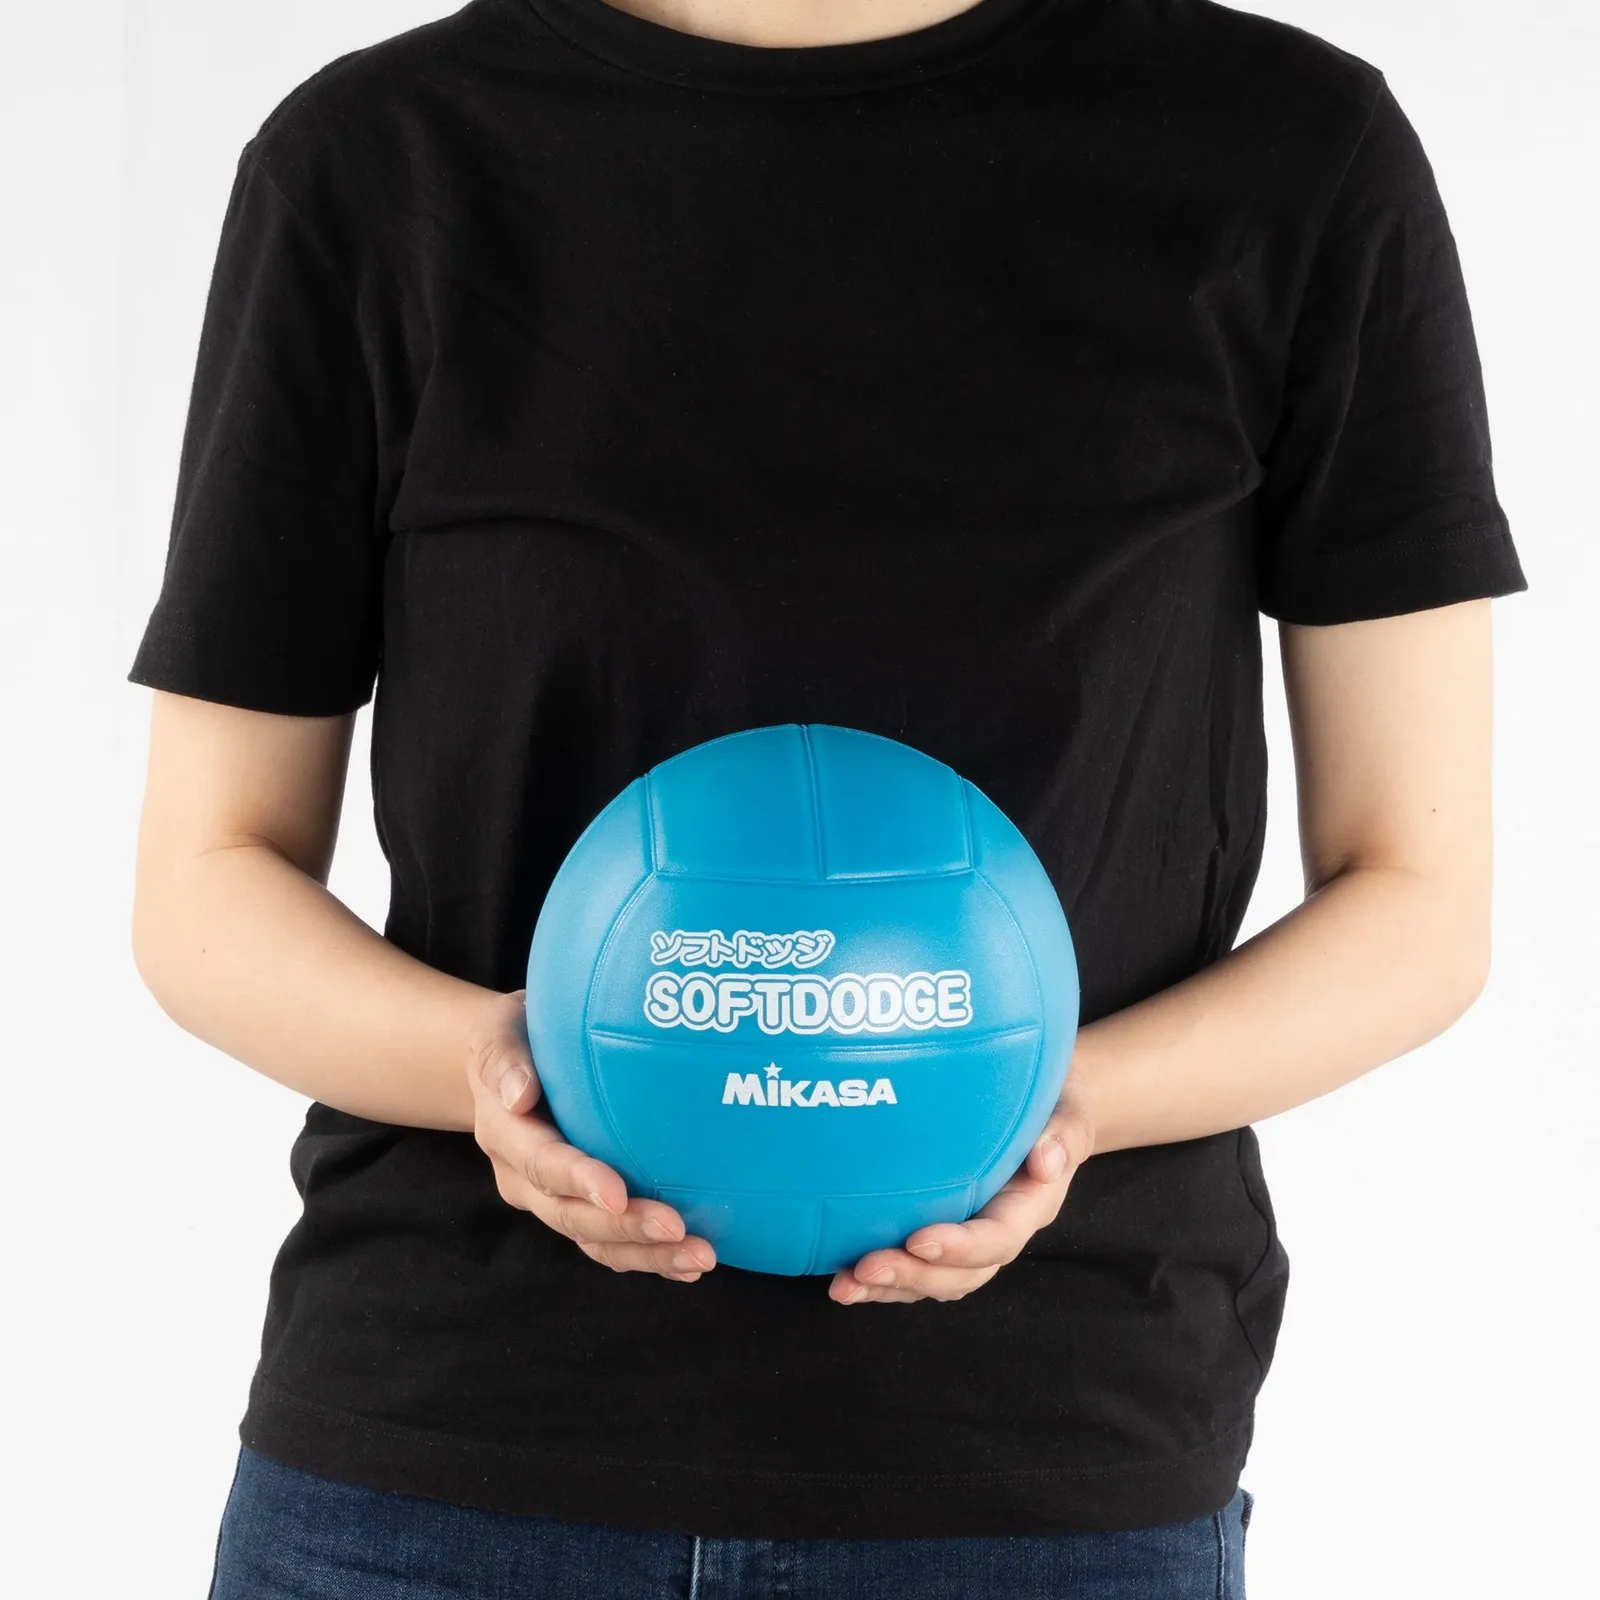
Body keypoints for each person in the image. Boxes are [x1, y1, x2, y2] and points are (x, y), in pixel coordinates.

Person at [126, 0, 1527, 1594]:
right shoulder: (379, 164)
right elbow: (207, 876)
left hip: (1042, 1475)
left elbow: (1418, 896)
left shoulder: (1288, 150)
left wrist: (1057, 1108)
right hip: (437, 1471)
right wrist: (499, 1069)